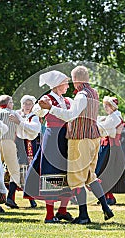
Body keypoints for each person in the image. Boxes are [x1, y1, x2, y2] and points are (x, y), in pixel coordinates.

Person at [39, 66, 114, 224]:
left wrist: (50, 108)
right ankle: (106, 208)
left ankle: (84, 215)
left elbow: (70, 116)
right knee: (89, 175)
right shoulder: (94, 92)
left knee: (76, 178)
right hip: (93, 137)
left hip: (80, 139)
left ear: (76, 80)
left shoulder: (81, 95)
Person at [25, 71, 74, 223]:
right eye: (65, 83)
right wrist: (41, 106)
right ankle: (49, 214)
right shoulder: (47, 98)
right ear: (58, 84)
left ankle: (62, 210)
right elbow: (37, 112)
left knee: (67, 172)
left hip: (65, 137)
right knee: (51, 172)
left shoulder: (66, 100)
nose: (67, 85)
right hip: (53, 136)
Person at [95, 96, 125, 205]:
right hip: (107, 146)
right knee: (103, 171)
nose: (105, 108)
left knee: (106, 171)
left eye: (107, 106)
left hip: (111, 147)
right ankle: (106, 196)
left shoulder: (114, 117)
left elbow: (103, 128)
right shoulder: (112, 116)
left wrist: (96, 121)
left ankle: (109, 196)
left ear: (112, 106)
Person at [14, 95, 41, 208]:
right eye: (25, 103)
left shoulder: (33, 117)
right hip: (18, 143)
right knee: (15, 169)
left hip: (29, 144)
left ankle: (31, 198)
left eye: (30, 104)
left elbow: (35, 129)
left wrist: (20, 122)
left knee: (27, 170)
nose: (27, 106)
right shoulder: (18, 114)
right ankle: (11, 197)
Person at [0, 95, 21, 209]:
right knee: (14, 171)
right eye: (11, 102)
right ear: (8, 103)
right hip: (9, 142)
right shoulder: (14, 114)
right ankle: (10, 197)